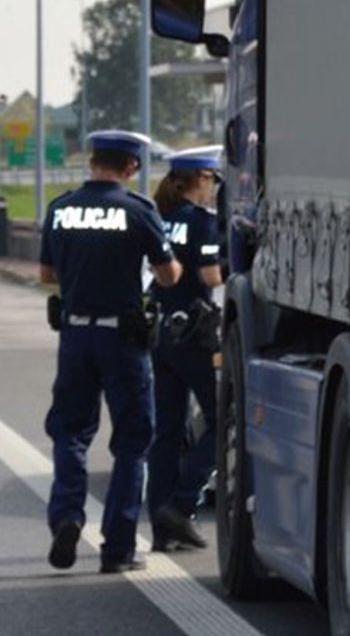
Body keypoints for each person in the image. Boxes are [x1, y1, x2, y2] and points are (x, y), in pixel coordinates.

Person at [39, 130, 183, 574]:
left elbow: (46, 274)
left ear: (92, 161)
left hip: (75, 335)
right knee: (133, 441)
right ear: (133, 167)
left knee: (71, 433)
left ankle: (66, 517)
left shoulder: (60, 209)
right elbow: (168, 277)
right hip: (123, 340)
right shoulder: (137, 211)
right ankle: (117, 548)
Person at [146, 146, 225, 551]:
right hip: (195, 337)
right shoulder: (201, 222)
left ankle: (161, 524)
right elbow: (210, 277)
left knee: (168, 431)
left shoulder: (161, 219)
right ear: (201, 179)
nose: (214, 189)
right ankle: (181, 503)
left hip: (162, 334)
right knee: (221, 420)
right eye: (213, 179)